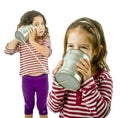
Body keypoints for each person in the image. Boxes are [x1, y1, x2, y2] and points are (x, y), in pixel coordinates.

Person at [48, 17, 113, 118]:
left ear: (96, 51)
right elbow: (53, 107)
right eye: (70, 46)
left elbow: (101, 113)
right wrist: (59, 82)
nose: (75, 52)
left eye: (83, 47)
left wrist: (88, 83)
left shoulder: (103, 78)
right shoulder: (63, 74)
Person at [4, 10, 52, 118]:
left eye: (42, 23)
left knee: (42, 106)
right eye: (36, 24)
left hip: (42, 79)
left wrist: (33, 41)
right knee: (28, 106)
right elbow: (8, 51)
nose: (41, 27)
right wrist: (19, 36)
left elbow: (47, 53)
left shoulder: (45, 38)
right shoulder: (22, 42)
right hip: (27, 80)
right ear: (27, 27)